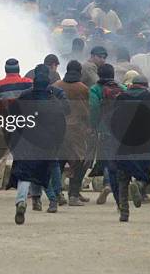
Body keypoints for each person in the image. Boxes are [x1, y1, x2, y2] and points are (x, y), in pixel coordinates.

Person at [9, 65, 67, 224]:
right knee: (44, 172)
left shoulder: (24, 97)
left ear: (34, 82)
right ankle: (53, 201)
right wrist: (57, 142)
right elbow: (61, 125)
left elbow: (13, 119)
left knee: (24, 174)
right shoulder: (54, 101)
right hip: (47, 143)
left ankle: (21, 201)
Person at [111, 75, 150, 221]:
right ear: (145, 85)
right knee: (144, 174)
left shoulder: (121, 98)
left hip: (124, 144)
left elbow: (113, 120)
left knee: (122, 178)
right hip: (144, 144)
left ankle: (124, 213)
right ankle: (138, 186)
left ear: (132, 85)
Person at [52, 60, 92, 206]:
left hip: (58, 129)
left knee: (60, 162)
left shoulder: (56, 86)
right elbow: (87, 111)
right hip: (77, 131)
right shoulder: (83, 88)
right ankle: (73, 195)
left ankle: (57, 194)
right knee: (80, 162)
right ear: (79, 72)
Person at [89, 63, 125, 206]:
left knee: (106, 158)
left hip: (104, 129)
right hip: (121, 129)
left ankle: (108, 183)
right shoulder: (122, 88)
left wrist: (94, 125)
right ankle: (121, 187)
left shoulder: (95, 89)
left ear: (99, 74)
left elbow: (94, 108)